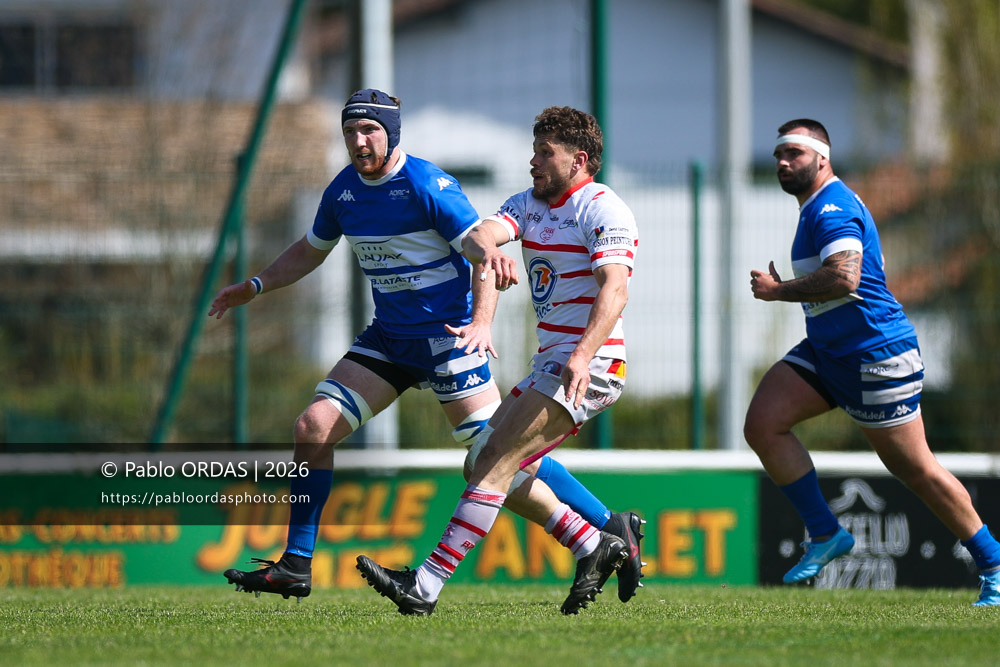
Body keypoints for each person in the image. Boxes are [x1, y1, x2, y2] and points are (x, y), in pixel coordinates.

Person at [209, 90, 643, 603]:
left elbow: (478, 243)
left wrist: (482, 317)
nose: (358, 141)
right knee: (315, 427)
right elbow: (314, 249)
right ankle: (297, 564)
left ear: (391, 133)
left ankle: (588, 534)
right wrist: (256, 285)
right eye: (350, 131)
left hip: (450, 339)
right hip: (390, 340)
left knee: (494, 458)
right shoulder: (344, 192)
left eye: (369, 130)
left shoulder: (428, 185)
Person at [357, 106, 641, 616]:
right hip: (549, 363)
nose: (533, 161)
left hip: (591, 367)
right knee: (479, 461)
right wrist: (487, 259)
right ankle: (593, 543)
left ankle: (424, 586)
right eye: (534, 151)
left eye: (545, 153)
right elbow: (479, 236)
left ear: (578, 160)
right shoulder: (528, 204)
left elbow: (615, 290)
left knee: (495, 465)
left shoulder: (602, 207)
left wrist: (582, 356)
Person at [745, 118, 1000, 606]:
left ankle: (994, 562)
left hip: (874, 355)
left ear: (823, 158)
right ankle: (825, 532)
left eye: (794, 153)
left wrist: (779, 291)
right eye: (778, 154)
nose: (783, 162)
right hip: (829, 351)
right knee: (763, 424)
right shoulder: (815, 206)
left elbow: (845, 277)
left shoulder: (832, 208)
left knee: (917, 470)